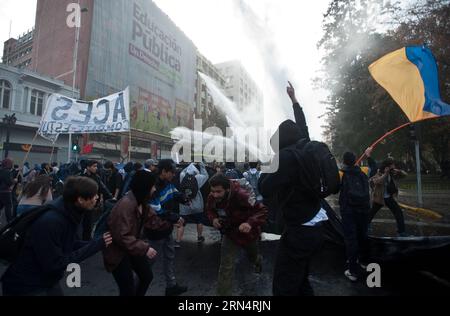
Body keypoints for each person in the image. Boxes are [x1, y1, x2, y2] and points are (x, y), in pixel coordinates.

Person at [259, 82, 328, 296]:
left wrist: (268, 167)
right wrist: (294, 100)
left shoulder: (286, 157)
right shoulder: (307, 148)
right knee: (301, 279)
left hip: (300, 230)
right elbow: (303, 125)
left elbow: (264, 187)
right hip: (317, 223)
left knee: (284, 285)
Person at [1, 177, 113, 296]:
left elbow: (69, 243)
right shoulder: (52, 221)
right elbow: (55, 263)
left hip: (44, 280)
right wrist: (96, 245)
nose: (97, 198)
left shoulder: (68, 212)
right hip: (26, 285)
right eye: (94, 195)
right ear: (80, 199)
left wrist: (101, 242)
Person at [206, 174, 267, 296]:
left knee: (253, 256)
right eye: (213, 191)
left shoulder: (243, 195)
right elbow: (210, 209)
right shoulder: (212, 196)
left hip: (248, 234)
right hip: (230, 233)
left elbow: (262, 210)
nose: (215, 195)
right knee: (225, 266)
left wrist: (249, 223)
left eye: (218, 192)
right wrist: (213, 219)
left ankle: (257, 261)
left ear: (227, 189)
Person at [103, 170, 161, 296]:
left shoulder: (141, 202)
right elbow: (122, 237)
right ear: (145, 187)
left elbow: (154, 219)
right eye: (153, 186)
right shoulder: (126, 205)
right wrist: (145, 248)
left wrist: (172, 220)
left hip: (130, 248)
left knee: (146, 276)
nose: (155, 189)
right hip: (117, 253)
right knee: (127, 287)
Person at [147, 159, 188, 296]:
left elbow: (174, 192)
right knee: (149, 261)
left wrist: (183, 198)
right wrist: (175, 217)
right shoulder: (153, 185)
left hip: (166, 228)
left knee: (169, 257)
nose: (174, 175)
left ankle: (171, 286)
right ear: (164, 171)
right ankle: (134, 288)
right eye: (172, 172)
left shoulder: (168, 183)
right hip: (155, 231)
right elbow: (156, 209)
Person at [339, 152, 371, 282]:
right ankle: (364, 261)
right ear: (356, 160)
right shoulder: (364, 170)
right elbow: (373, 168)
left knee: (351, 239)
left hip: (349, 211)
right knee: (363, 235)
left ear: (344, 162)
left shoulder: (341, 174)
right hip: (364, 209)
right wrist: (368, 155)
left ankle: (352, 271)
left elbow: (335, 189)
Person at [368, 157, 408, 237]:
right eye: (392, 165)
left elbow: (405, 175)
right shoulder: (378, 172)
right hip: (380, 198)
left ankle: (401, 232)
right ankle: (365, 227)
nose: (393, 166)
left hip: (389, 198)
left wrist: (398, 171)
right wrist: (385, 174)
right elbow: (377, 181)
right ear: (387, 166)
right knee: (371, 213)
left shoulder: (392, 173)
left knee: (398, 212)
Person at [176, 162, 209, 247]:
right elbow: (206, 175)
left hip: (184, 204)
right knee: (199, 221)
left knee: (181, 222)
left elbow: (183, 171)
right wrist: (201, 165)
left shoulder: (182, 176)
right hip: (197, 205)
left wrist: (190, 164)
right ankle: (199, 237)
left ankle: (178, 241)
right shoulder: (199, 177)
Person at [81, 160, 112, 241]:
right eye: (94, 166)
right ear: (88, 167)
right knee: (83, 223)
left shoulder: (96, 177)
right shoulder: (81, 177)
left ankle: (87, 240)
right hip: (83, 203)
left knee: (89, 223)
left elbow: (103, 188)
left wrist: (111, 197)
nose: (96, 168)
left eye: (96, 166)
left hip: (92, 203)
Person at [0, 158, 17, 223]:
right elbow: (9, 182)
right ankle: (9, 220)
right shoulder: (7, 172)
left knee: (1, 205)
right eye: (11, 163)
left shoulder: (1, 170)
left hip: (1, 191)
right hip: (6, 192)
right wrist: (14, 181)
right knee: (8, 206)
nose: (12, 165)